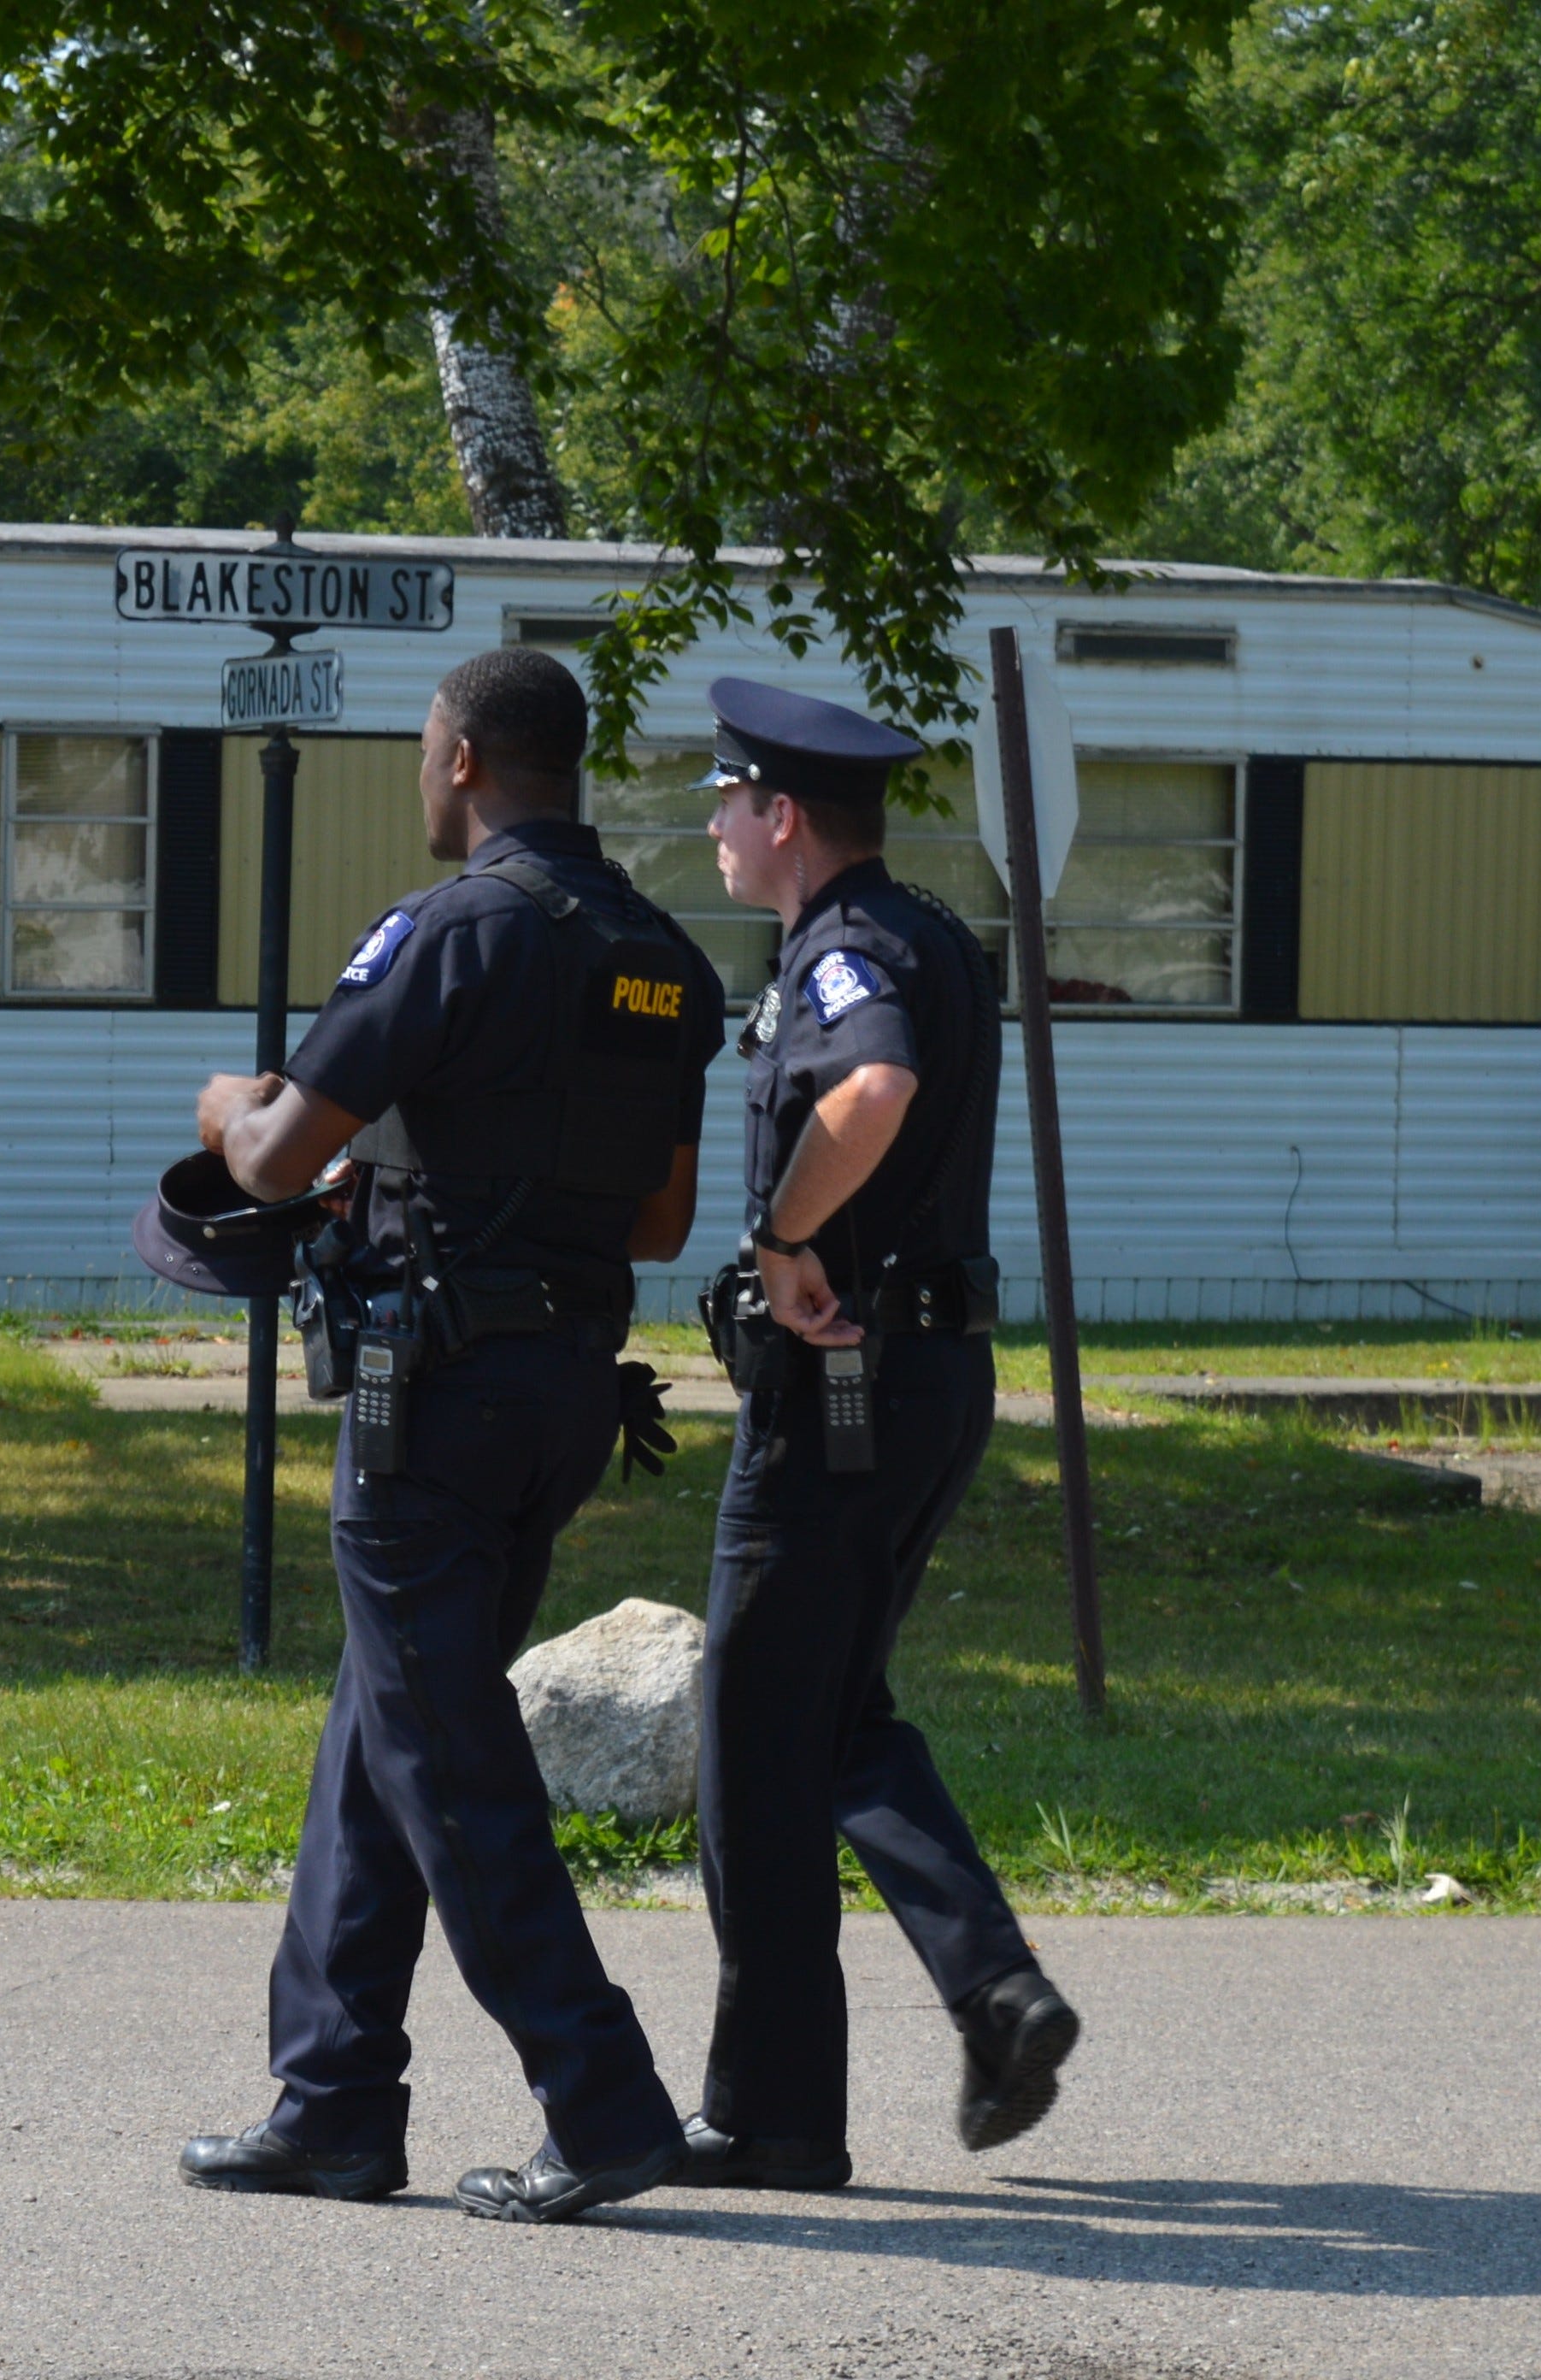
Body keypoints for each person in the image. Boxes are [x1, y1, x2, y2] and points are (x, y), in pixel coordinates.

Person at [175, 645, 726, 2224]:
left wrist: (231, 1107)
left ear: (469, 757)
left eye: (427, 750)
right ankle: (332, 2100)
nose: (423, 777)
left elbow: (279, 1158)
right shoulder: (664, 958)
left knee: (450, 1758)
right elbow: (661, 1216)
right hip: (561, 1393)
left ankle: (603, 2101)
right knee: (387, 1732)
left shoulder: (452, 928)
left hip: (430, 1398)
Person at [681, 675, 1080, 2194]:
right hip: (923, 1385)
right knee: (830, 1717)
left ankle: (773, 2113)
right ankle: (994, 1996)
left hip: (841, 1389)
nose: (712, 827)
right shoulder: (918, 933)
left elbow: (878, 1084)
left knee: (752, 1750)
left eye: (724, 802)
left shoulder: (846, 952)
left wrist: (781, 1236)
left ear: (781, 815)